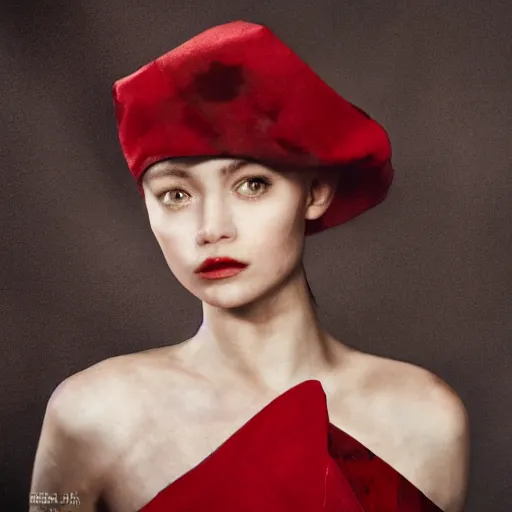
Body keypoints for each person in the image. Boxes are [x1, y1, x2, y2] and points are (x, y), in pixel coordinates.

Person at [29, 21, 470, 512]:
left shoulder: (427, 417)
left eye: (252, 184)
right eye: (176, 194)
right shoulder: (90, 417)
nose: (211, 227)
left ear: (316, 192)